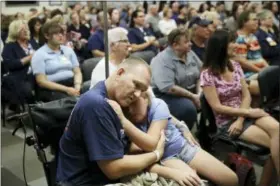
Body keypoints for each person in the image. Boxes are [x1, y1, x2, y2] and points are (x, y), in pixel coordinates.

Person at [56, 57, 166, 186]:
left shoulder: (113, 98)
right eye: (136, 85)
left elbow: (124, 144)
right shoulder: (96, 104)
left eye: (142, 90)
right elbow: (113, 169)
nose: (137, 94)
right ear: (119, 73)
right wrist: (156, 154)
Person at [107, 92, 239, 186]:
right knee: (195, 183)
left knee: (231, 180)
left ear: (145, 98)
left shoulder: (157, 105)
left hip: (182, 147)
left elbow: (151, 143)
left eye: (135, 102)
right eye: (127, 106)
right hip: (164, 159)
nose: (130, 109)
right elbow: (138, 157)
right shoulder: (124, 123)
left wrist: (182, 126)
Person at [201, 30, 279, 186]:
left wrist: (242, 117)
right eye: (232, 42)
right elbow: (217, 107)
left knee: (277, 130)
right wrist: (245, 114)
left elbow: (246, 96)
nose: (236, 45)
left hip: (244, 114)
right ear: (221, 46)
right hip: (227, 122)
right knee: (276, 146)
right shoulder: (207, 74)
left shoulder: (235, 66)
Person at [151, 28, 202, 130]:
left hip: (192, 92)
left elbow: (201, 73)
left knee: (212, 95)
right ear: (175, 45)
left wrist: (199, 93)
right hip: (166, 96)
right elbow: (169, 88)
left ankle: (207, 133)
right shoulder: (162, 60)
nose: (190, 44)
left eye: (190, 41)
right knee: (187, 108)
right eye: (186, 42)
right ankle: (185, 135)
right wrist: (193, 97)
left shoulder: (189, 53)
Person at [31, 21, 82, 102]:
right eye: (56, 33)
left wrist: (77, 87)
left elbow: (77, 72)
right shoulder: (39, 54)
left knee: (92, 90)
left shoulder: (68, 50)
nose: (61, 35)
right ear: (47, 36)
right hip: (53, 89)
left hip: (73, 84)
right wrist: (66, 89)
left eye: (61, 33)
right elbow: (41, 81)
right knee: (72, 102)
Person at [2, 19, 39, 104]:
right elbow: (11, 65)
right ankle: (33, 110)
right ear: (15, 32)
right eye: (22, 30)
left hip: (38, 73)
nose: (26, 31)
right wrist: (30, 57)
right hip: (20, 77)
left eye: (27, 29)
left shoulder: (32, 42)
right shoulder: (10, 46)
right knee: (28, 90)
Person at [234, 10, 269, 79]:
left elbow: (259, 57)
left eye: (257, 19)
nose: (257, 22)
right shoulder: (239, 39)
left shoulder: (252, 37)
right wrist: (262, 71)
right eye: (254, 20)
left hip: (259, 71)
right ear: (244, 22)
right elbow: (242, 63)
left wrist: (268, 68)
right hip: (247, 74)